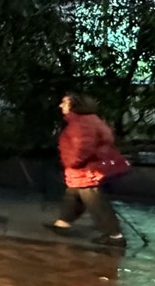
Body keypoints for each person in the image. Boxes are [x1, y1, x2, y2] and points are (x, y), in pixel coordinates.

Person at [48, 92, 128, 248]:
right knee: (74, 194)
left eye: (64, 102)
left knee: (95, 202)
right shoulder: (89, 120)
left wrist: (71, 162)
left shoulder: (81, 123)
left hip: (86, 170)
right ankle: (62, 224)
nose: (60, 105)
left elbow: (83, 147)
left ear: (75, 105)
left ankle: (115, 236)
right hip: (88, 168)